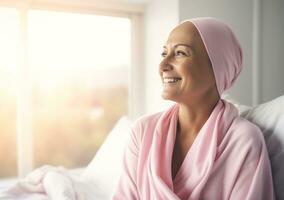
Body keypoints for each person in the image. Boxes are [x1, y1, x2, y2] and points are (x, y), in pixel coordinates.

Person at [112, 17, 275, 200]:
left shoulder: (243, 140)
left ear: (217, 66)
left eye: (180, 53)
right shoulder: (143, 131)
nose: (163, 65)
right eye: (164, 53)